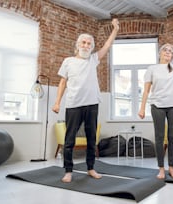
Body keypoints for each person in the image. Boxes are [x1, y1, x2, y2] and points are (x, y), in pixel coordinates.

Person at [52, 19, 119, 183]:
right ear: (77, 45)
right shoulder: (68, 61)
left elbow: (107, 46)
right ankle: (68, 171)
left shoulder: (93, 59)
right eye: (83, 42)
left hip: (92, 104)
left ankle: (90, 168)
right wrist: (57, 102)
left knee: (91, 139)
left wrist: (115, 29)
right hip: (74, 105)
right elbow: (62, 83)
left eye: (89, 43)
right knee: (69, 140)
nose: (86, 45)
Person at [138, 15, 173, 179]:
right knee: (159, 137)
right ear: (160, 53)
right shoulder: (152, 68)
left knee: (172, 137)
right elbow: (146, 90)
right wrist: (142, 107)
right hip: (157, 106)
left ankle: (171, 168)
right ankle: (160, 169)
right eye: (166, 50)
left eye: (171, 51)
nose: (169, 52)